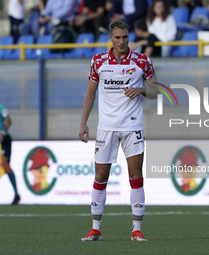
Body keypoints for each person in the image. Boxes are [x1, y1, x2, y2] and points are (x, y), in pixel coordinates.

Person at [79, 19, 160, 242]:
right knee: (100, 176)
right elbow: (90, 93)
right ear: (111, 39)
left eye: (125, 37)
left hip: (132, 127)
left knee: (135, 175)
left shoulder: (143, 61)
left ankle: (136, 229)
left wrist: (141, 89)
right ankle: (95, 228)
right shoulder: (98, 61)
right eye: (117, 37)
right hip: (105, 128)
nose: (122, 41)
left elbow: (157, 92)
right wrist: (83, 122)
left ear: (129, 37)